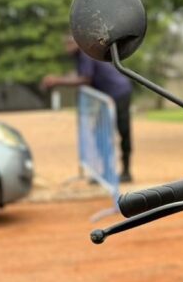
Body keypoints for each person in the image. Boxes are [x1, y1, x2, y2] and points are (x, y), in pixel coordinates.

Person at [40, 34, 134, 183]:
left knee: (122, 131)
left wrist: (57, 80)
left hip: (119, 93)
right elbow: (81, 76)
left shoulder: (86, 54)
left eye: (71, 43)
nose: (67, 47)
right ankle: (106, 172)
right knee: (101, 133)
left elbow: (85, 79)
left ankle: (126, 171)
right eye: (66, 43)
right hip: (108, 97)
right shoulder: (80, 57)